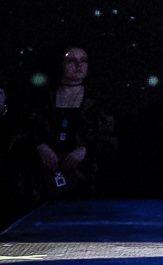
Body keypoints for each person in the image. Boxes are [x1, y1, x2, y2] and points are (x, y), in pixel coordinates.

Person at [12, 44, 117, 206]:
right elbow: (19, 135)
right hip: (42, 181)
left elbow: (110, 140)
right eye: (71, 60)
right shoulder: (40, 100)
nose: (78, 65)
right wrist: (39, 146)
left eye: (83, 60)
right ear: (60, 64)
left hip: (85, 180)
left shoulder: (98, 102)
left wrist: (85, 150)